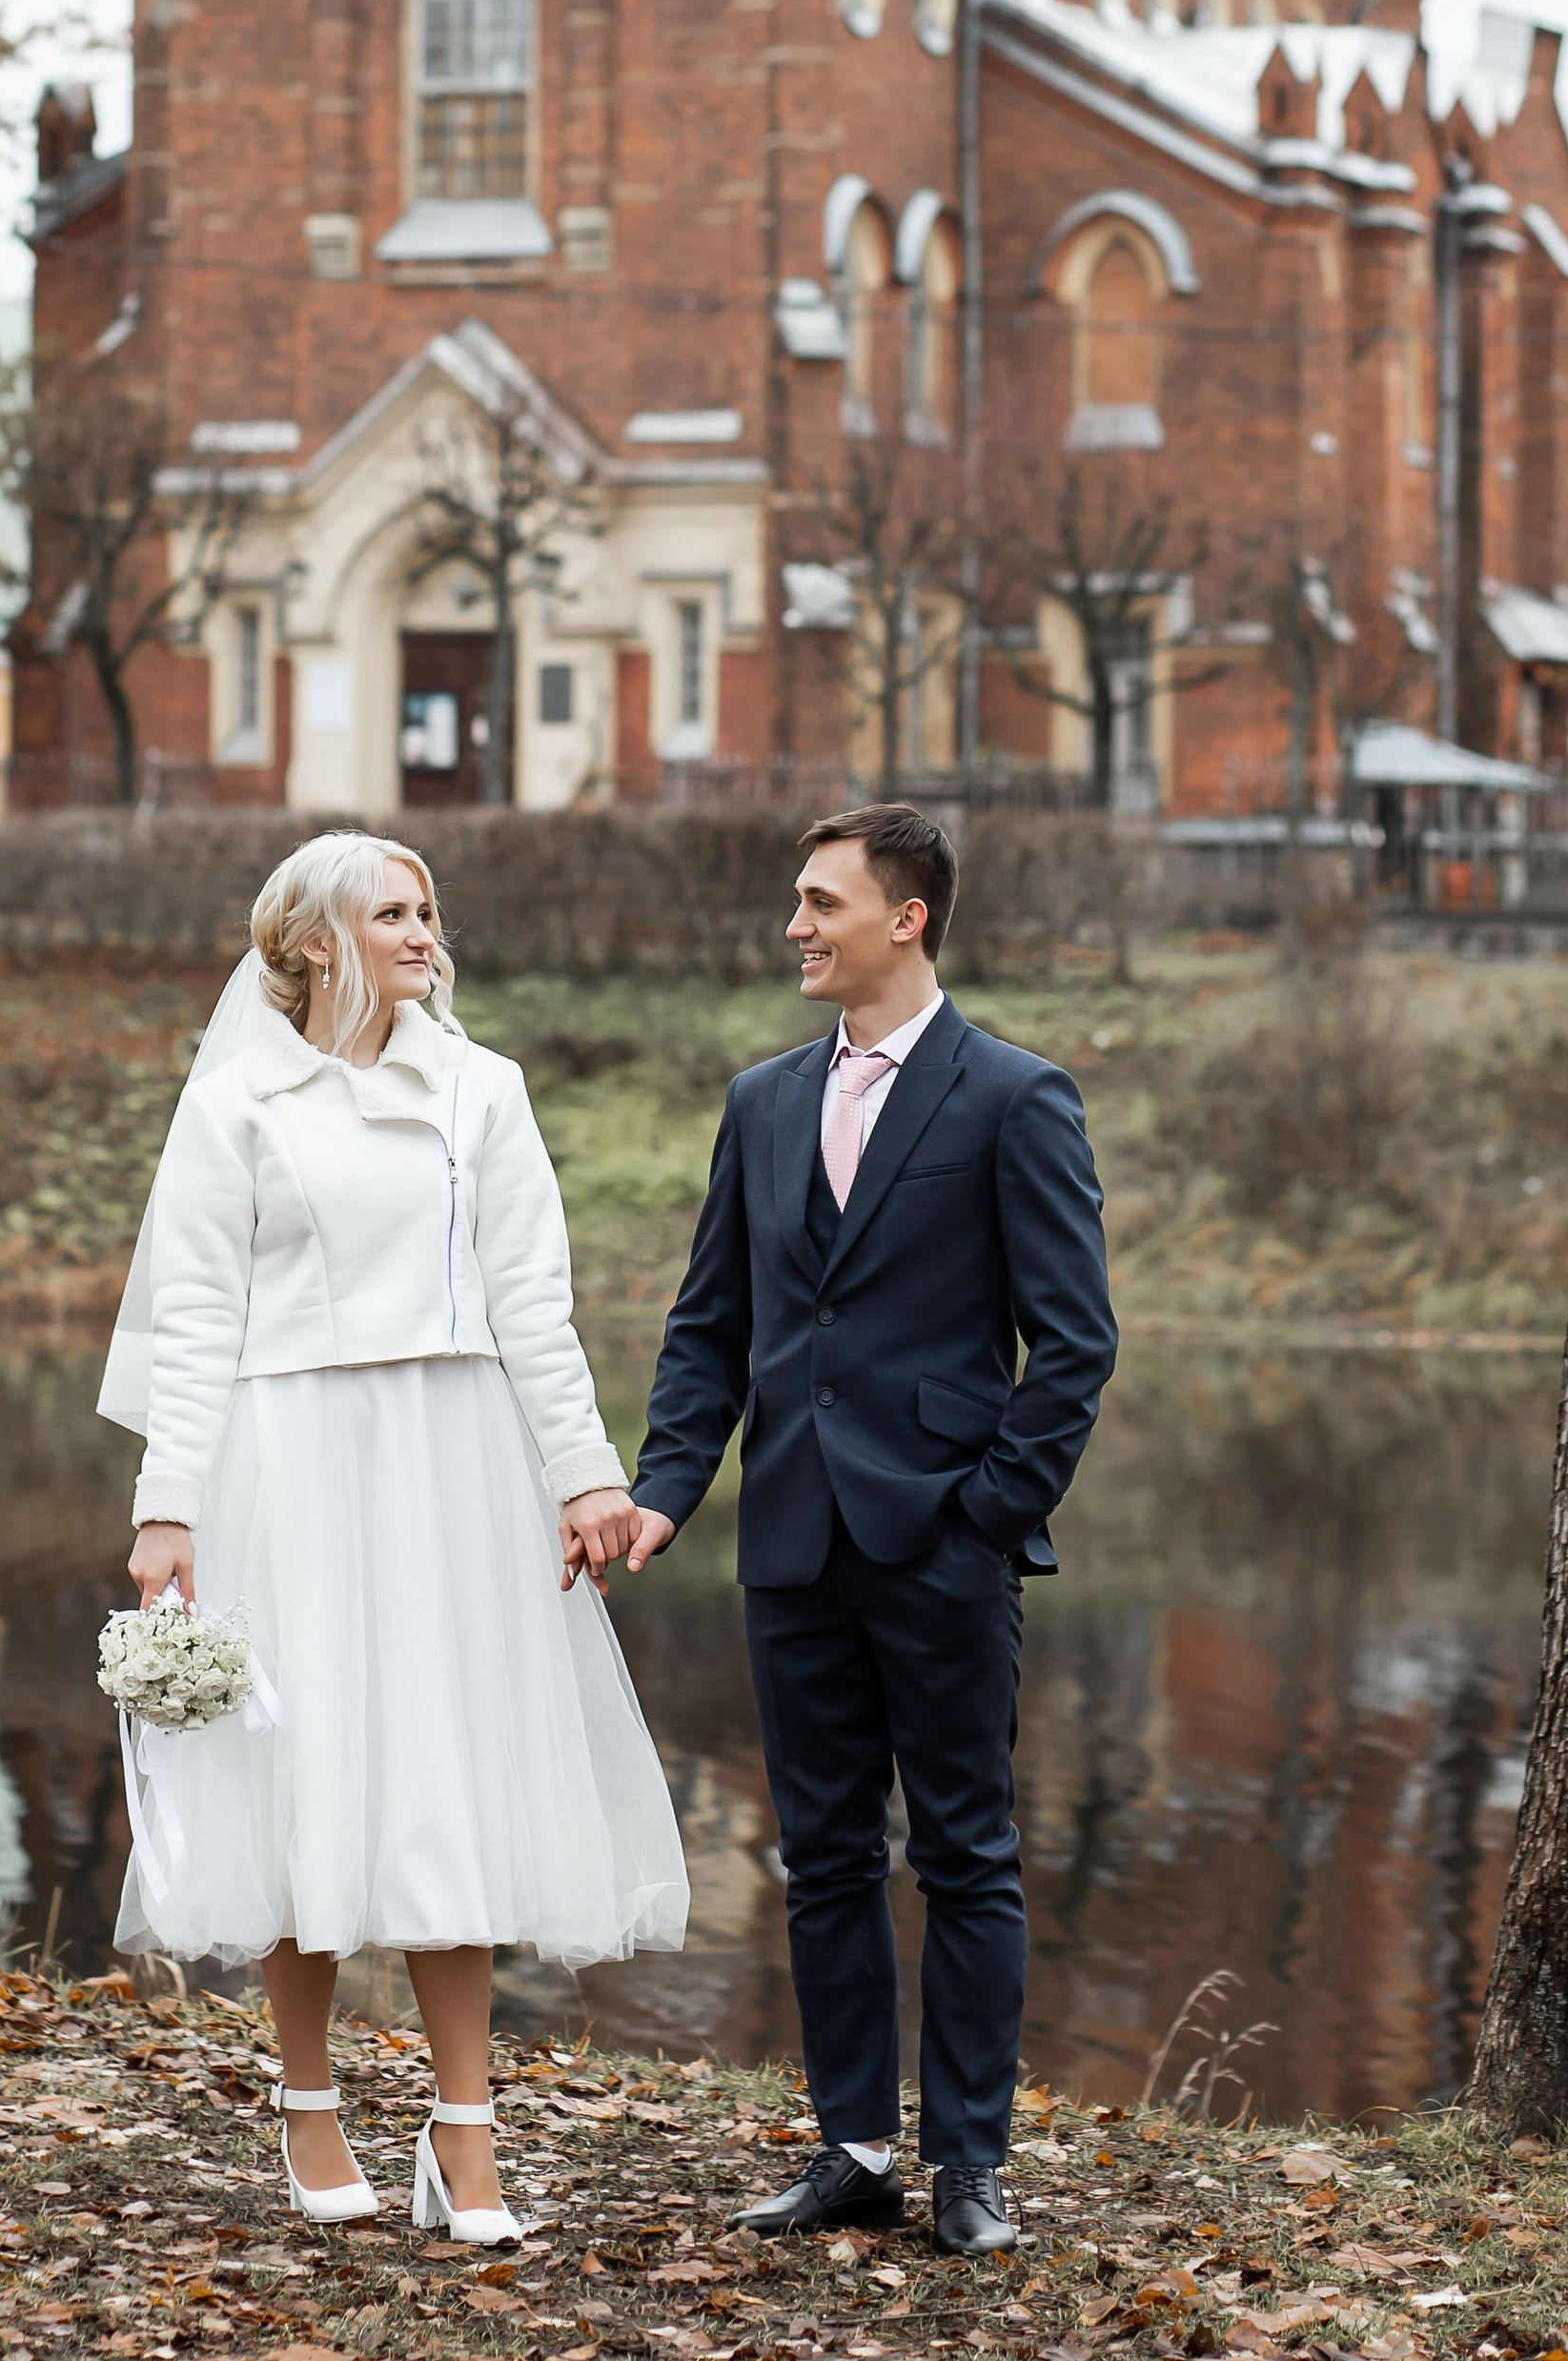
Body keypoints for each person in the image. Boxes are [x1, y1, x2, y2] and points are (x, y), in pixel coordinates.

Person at [97, 830, 687, 2245]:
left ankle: (464, 2134)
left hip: (451, 1458)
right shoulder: (236, 1105)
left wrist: (583, 1476)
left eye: (430, 911)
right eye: (394, 913)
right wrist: (168, 1504)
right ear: (314, 943)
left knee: (446, 1776)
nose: (426, 933)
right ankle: (307, 2104)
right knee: (300, 1776)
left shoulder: (484, 1089)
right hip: (288, 1462)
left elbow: (533, 1299)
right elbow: (195, 1313)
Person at [622, 803, 1115, 2258]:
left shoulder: (1015, 1095)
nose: (796, 924)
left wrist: (989, 1515)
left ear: (908, 917)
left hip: (945, 1544)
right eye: (797, 899)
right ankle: (853, 2147)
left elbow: (1074, 1345)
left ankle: (970, 2161)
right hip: (791, 1539)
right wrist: (667, 1487)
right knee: (824, 1855)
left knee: (965, 1852)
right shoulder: (761, 1101)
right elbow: (710, 1323)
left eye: (821, 901)